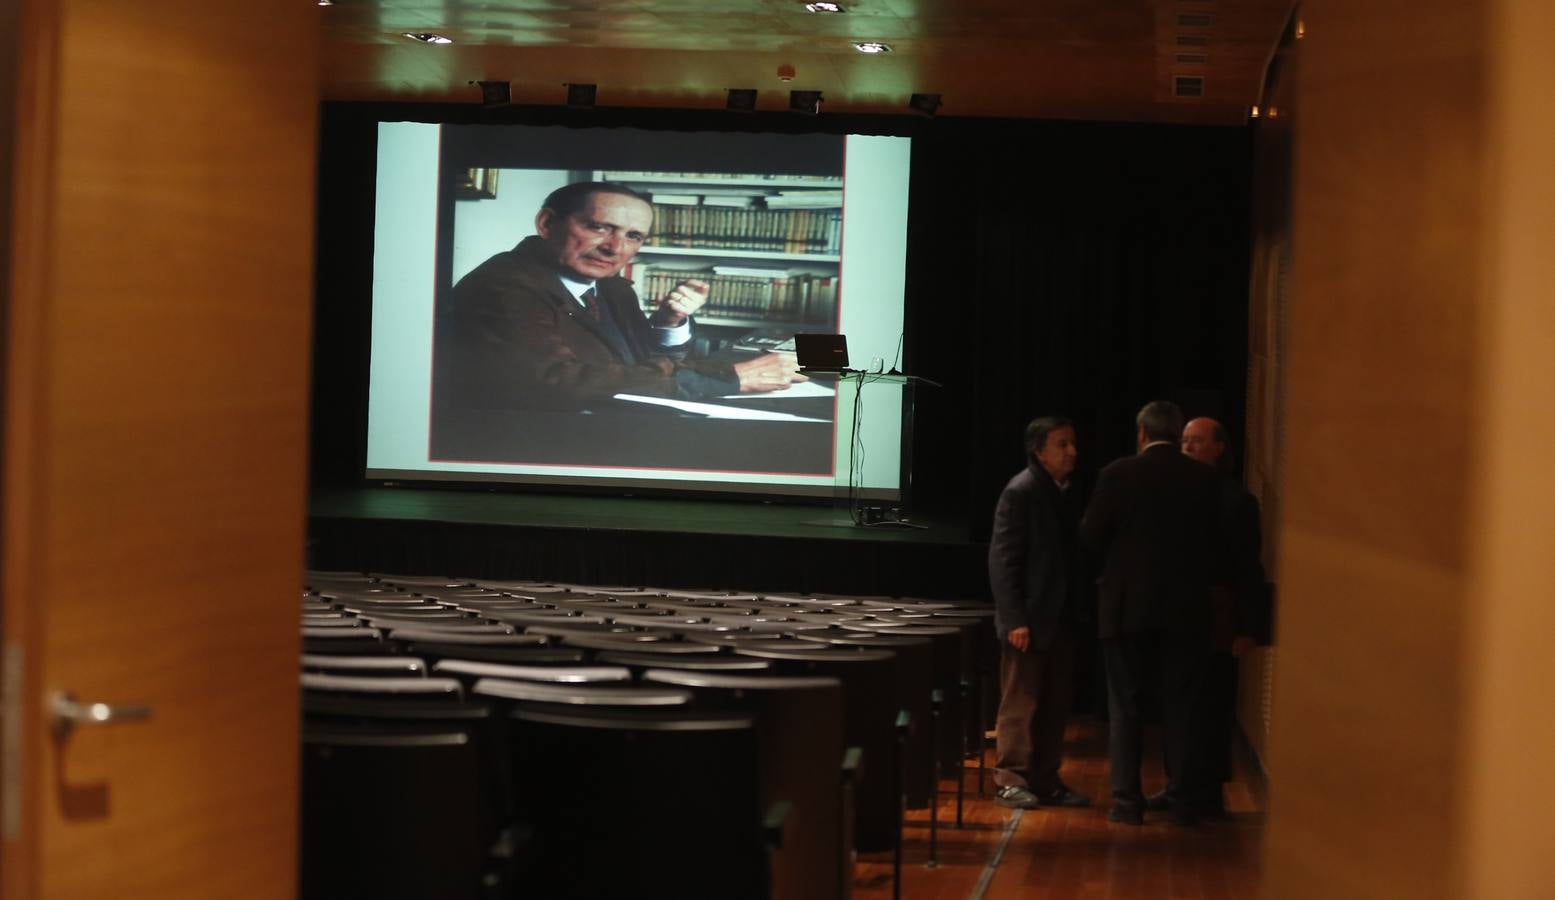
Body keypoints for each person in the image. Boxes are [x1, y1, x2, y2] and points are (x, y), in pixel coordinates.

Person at [432, 181, 802, 413]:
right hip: (533, 448)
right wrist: (727, 377)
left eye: (633, 237)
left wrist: (668, 325)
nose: (613, 248)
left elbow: (642, 366)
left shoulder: (610, 285)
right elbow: (559, 382)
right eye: (598, 227)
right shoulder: (502, 287)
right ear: (547, 224)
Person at [1079, 400, 1223, 826]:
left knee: (1126, 707)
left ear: (1141, 433)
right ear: (1178, 436)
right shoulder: (1204, 479)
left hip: (1126, 610)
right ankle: (1183, 801)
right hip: (1187, 611)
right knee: (1182, 708)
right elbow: (1216, 546)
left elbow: (1089, 537)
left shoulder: (1117, 474)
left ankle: (1127, 802)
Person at [988, 417, 1092, 810]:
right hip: (1028, 622)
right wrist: (1015, 619)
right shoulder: (1023, 491)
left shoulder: (1061, 491)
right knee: (1021, 703)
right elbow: (1003, 561)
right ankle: (1010, 778)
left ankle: (1046, 779)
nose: (1072, 452)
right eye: (1063, 444)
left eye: (1072, 444)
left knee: (1054, 705)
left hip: (1059, 620)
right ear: (1039, 451)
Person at [1171, 416, 1268, 817]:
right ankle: (1179, 786)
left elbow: (1249, 570)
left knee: (1211, 706)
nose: (1190, 448)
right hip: (1176, 613)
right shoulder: (1170, 494)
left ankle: (1205, 793)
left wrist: (1249, 628)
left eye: (1198, 441)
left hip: (1218, 617)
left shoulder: (1236, 500)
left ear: (1219, 448)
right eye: (1185, 441)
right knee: (1178, 705)